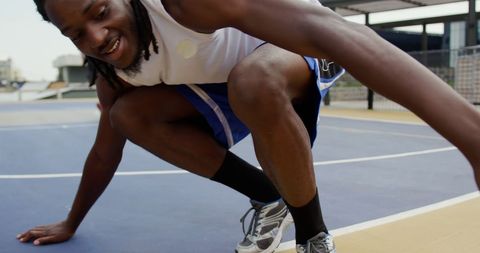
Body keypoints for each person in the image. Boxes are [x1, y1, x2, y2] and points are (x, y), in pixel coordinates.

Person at [18, 0, 480, 253]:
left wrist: (471, 138)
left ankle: (313, 236)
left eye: (100, 13)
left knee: (254, 81)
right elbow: (105, 151)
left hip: (295, 48)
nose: (95, 37)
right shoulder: (113, 74)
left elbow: (331, 30)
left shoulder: (184, 7)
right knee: (129, 115)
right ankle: (268, 198)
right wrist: (71, 222)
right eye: (76, 32)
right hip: (225, 79)